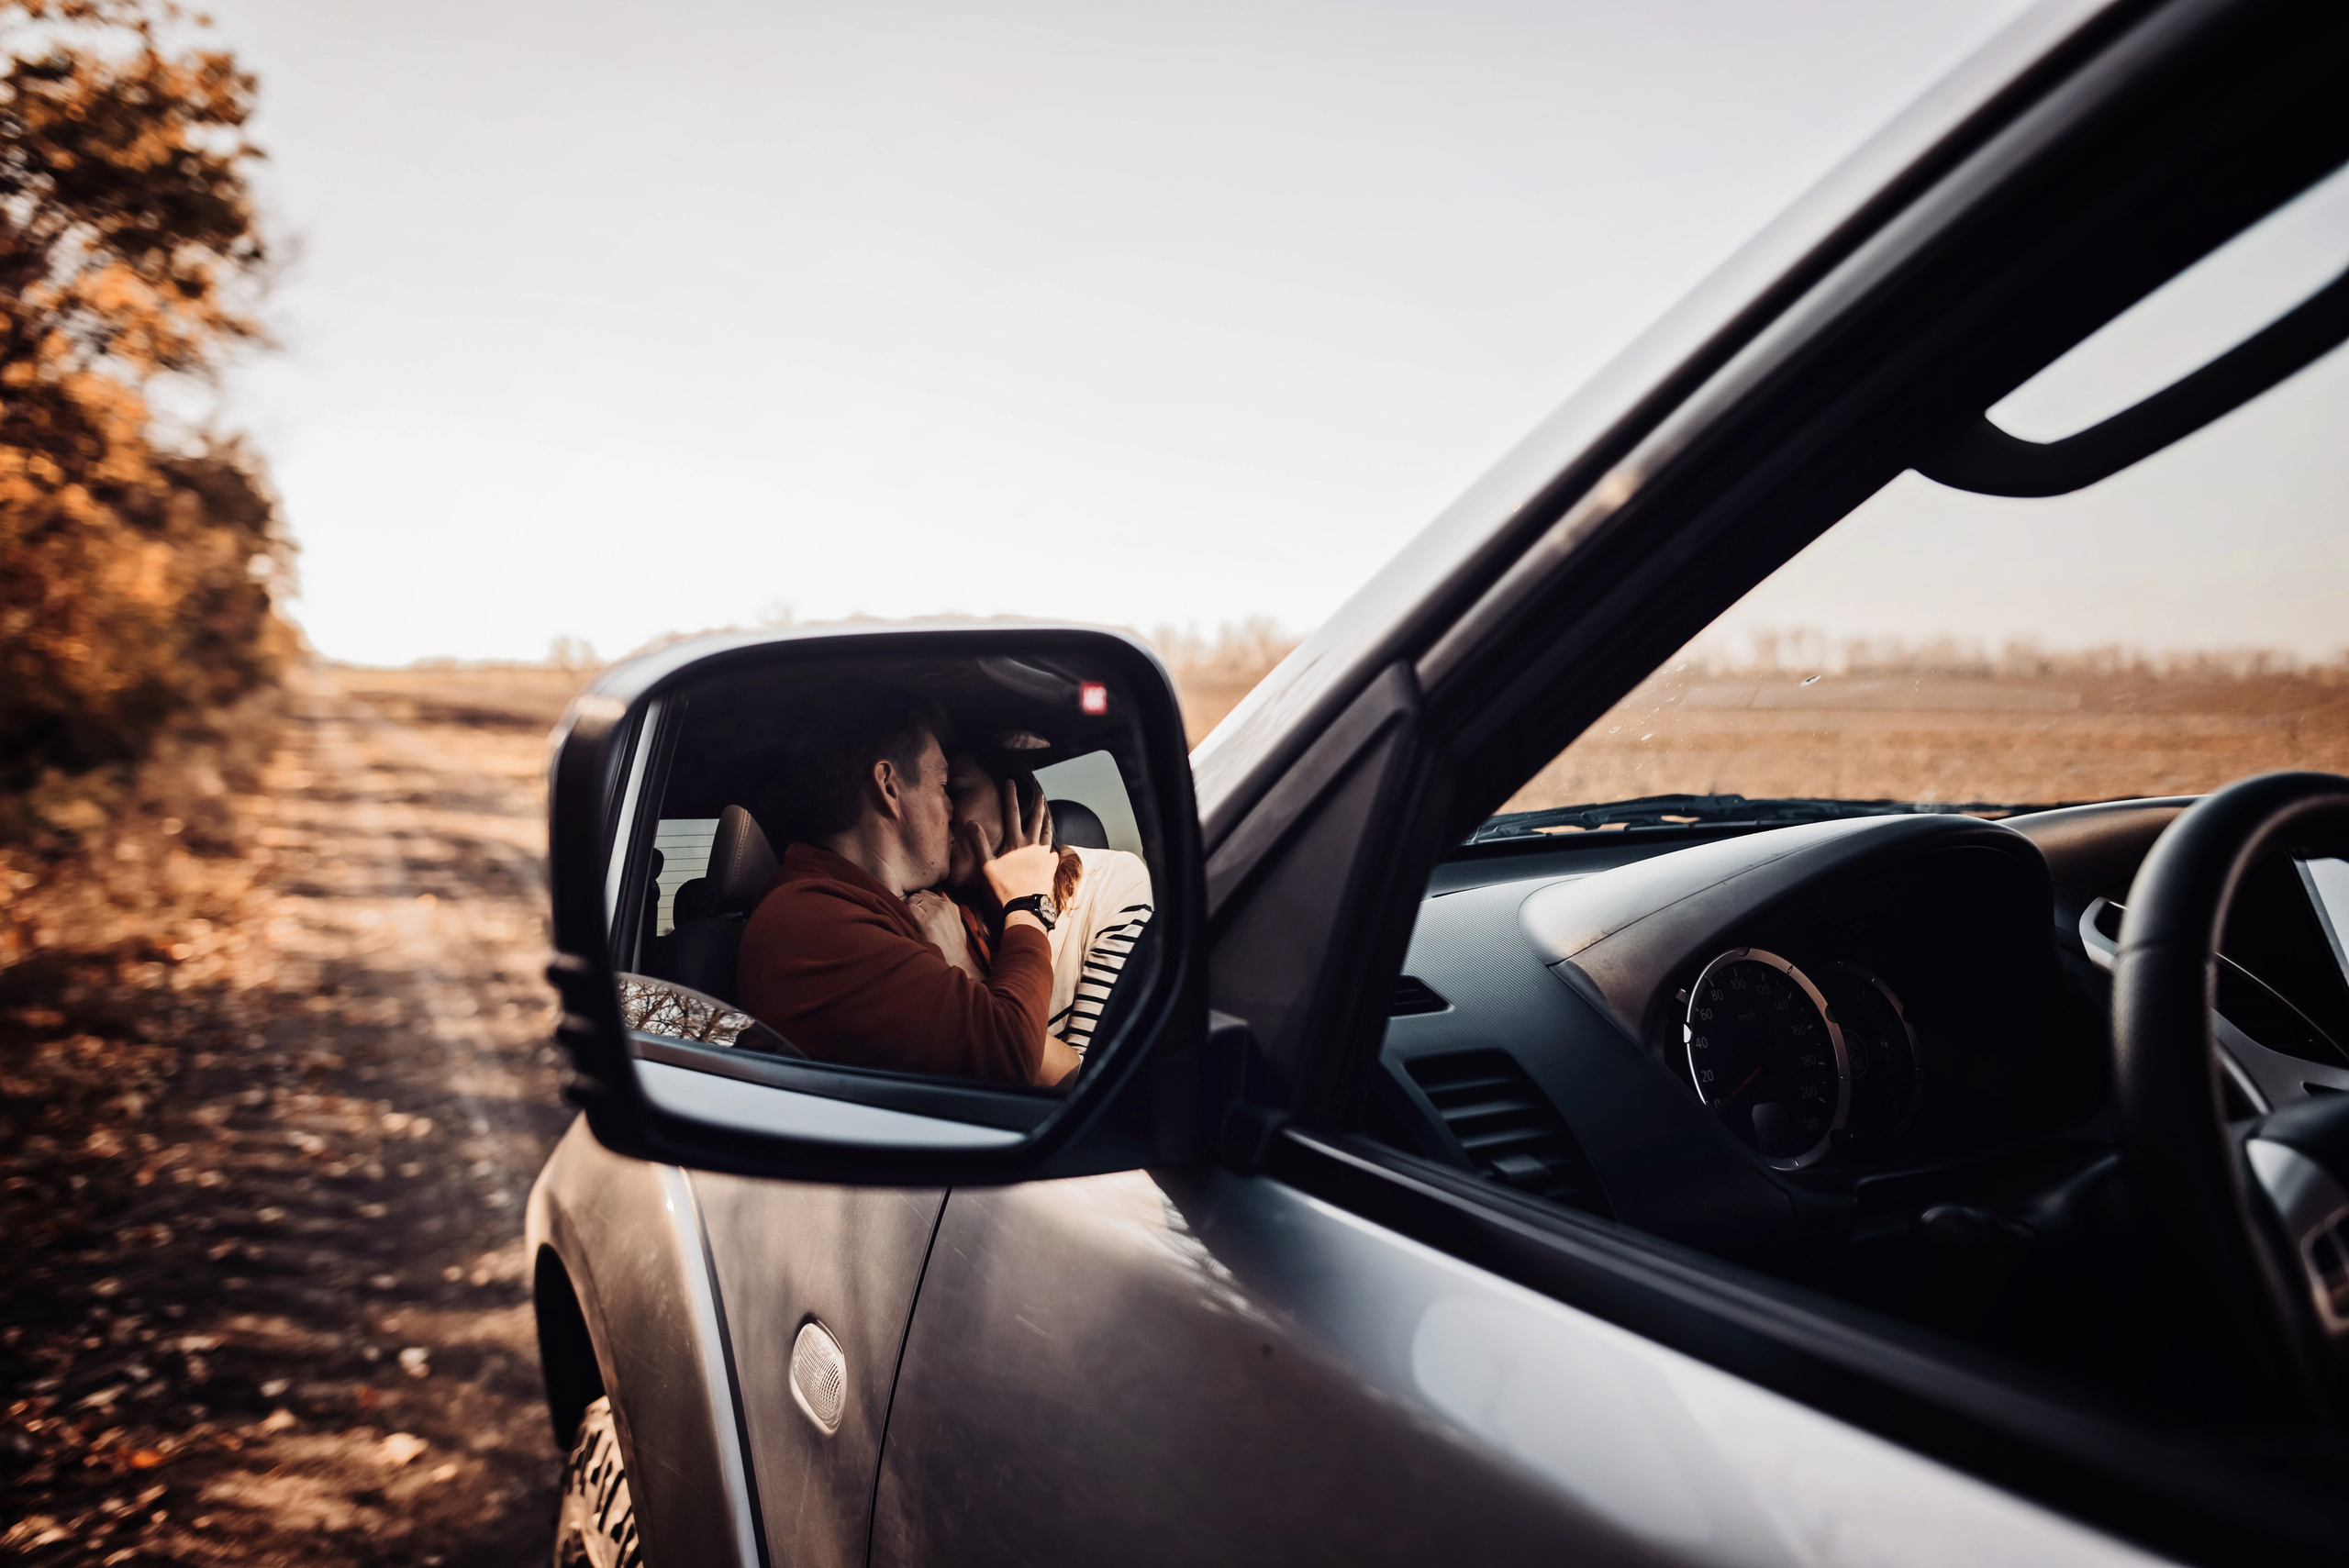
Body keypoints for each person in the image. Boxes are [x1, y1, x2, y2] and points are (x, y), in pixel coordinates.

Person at [737, 689, 1081, 1086]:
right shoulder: (813, 923)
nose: (951, 812)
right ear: (889, 786)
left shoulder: (917, 908)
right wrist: (1028, 907)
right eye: (943, 787)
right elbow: (1011, 1055)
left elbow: (1063, 1070)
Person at [944, 749, 1154, 1066]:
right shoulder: (937, 914)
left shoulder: (1112, 882)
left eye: (956, 792)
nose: (943, 811)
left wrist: (964, 979)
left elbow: (1087, 1076)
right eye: (936, 793)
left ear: (1012, 793)